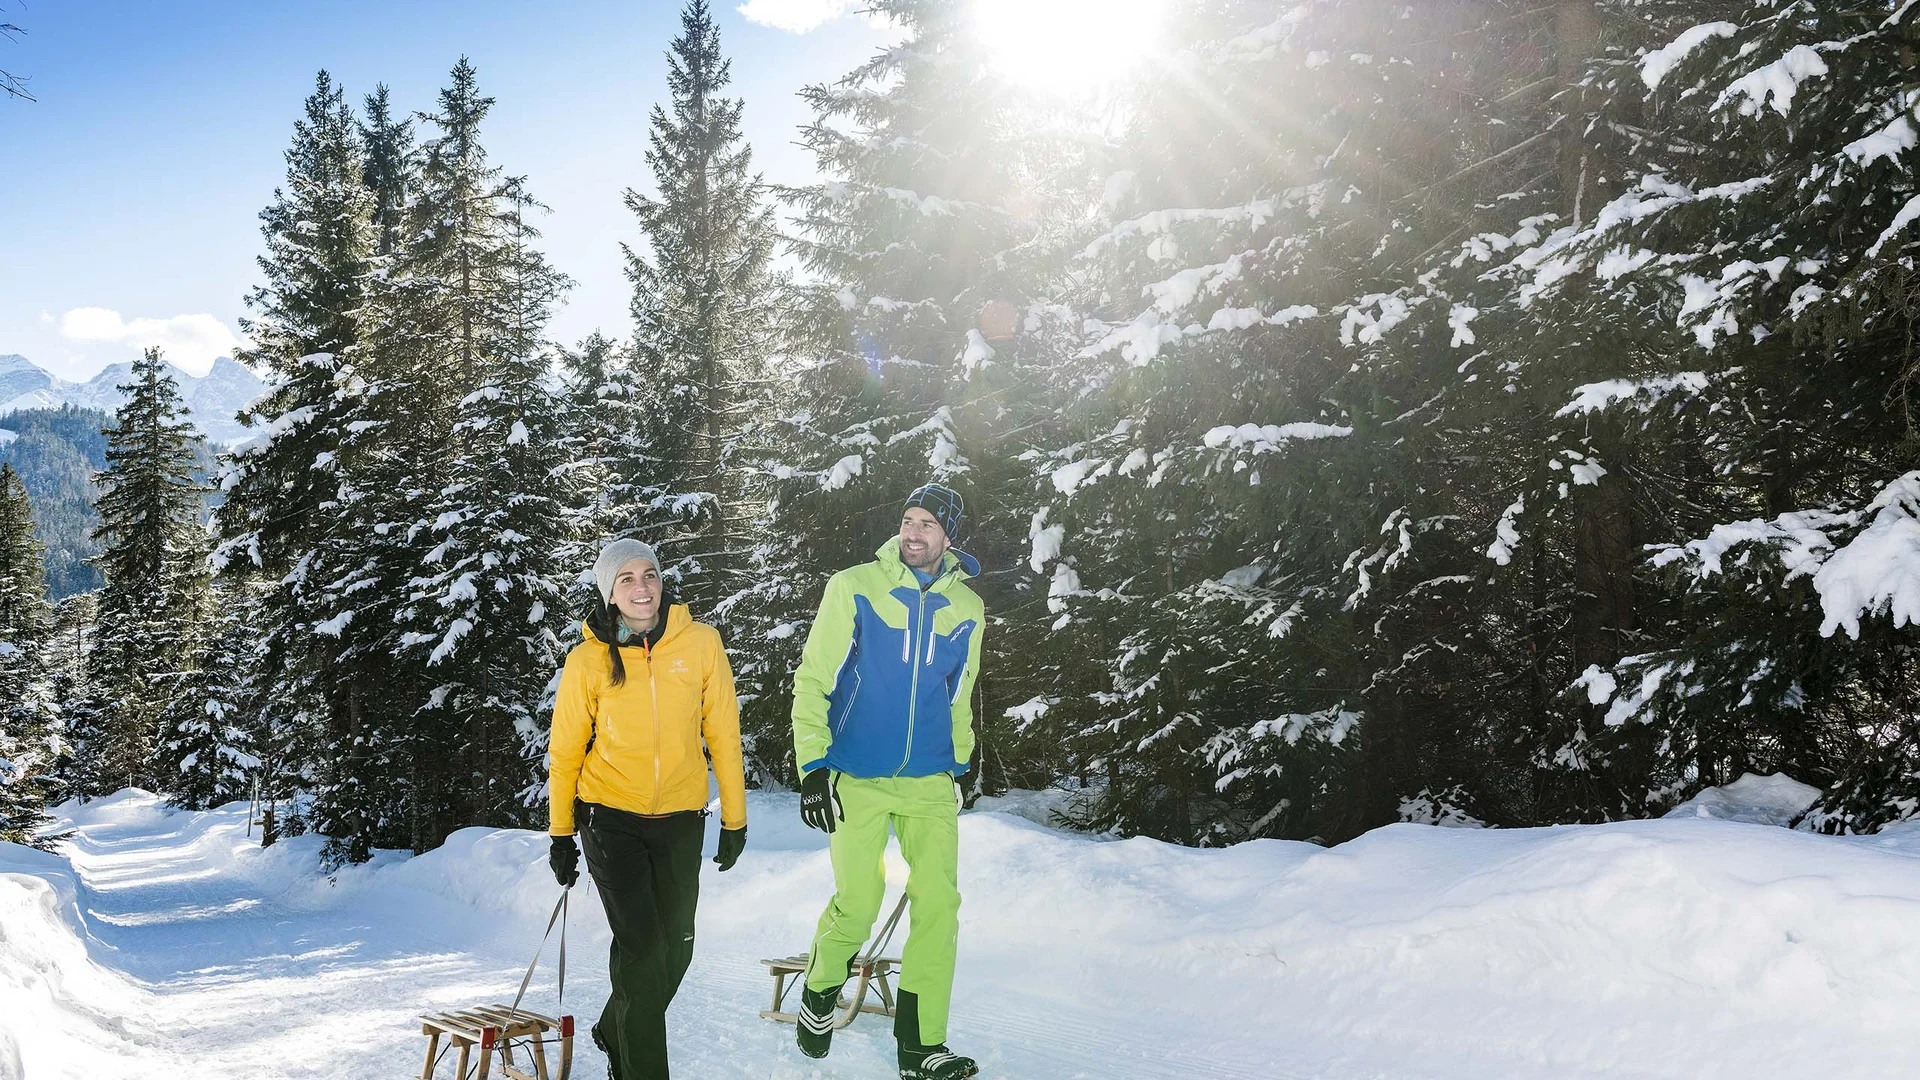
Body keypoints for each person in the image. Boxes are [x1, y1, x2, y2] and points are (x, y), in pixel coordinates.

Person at [790, 483, 985, 1080]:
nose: (914, 533)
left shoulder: (968, 609)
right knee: (859, 902)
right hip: (858, 775)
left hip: (929, 779)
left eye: (928, 524)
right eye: (908, 520)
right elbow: (813, 678)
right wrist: (813, 766)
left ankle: (922, 1047)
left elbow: (959, 695)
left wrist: (962, 763)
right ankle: (821, 988)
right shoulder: (853, 587)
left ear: (949, 537)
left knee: (940, 906)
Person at [546, 539, 748, 1080]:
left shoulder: (701, 644)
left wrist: (735, 817)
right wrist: (560, 832)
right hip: (610, 819)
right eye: (627, 579)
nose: (642, 587)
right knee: (641, 949)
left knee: (676, 950)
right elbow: (565, 750)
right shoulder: (588, 659)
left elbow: (723, 733)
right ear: (609, 593)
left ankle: (616, 1029)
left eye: (649, 575)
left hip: (681, 819)